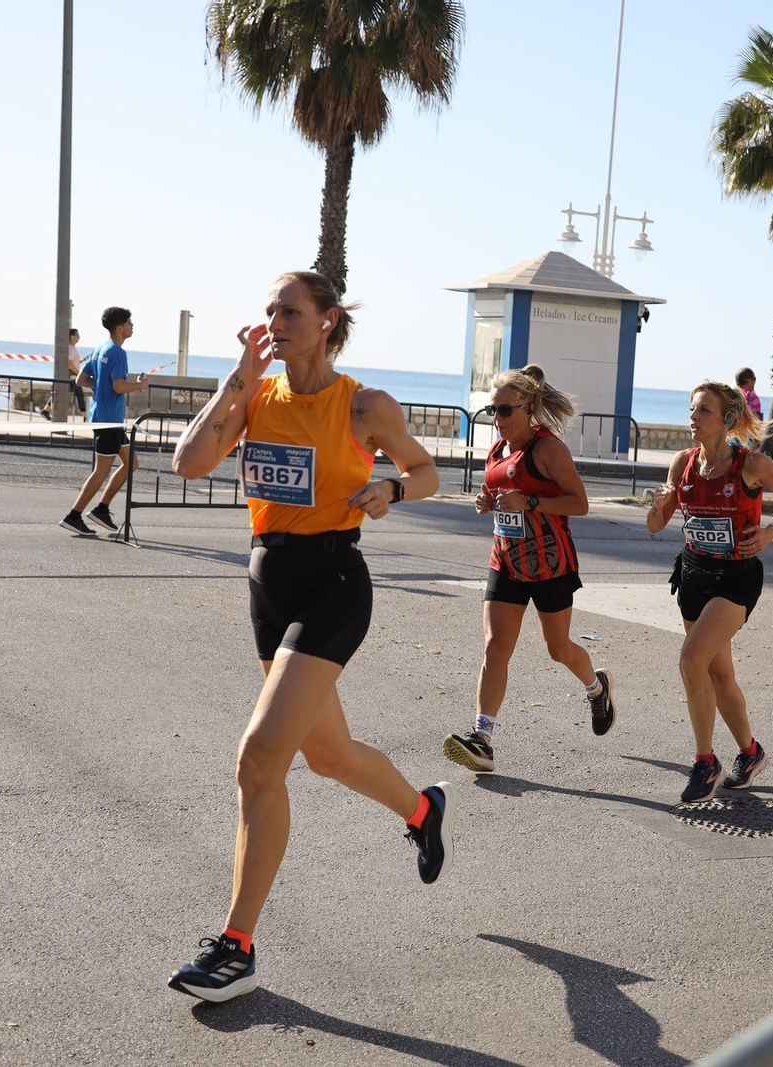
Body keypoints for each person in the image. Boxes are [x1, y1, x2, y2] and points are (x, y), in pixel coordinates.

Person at [164, 271, 453, 1003]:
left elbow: (428, 472)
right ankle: (423, 810)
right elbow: (188, 462)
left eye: (289, 311)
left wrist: (392, 488)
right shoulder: (256, 396)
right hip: (269, 583)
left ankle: (236, 946)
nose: (275, 321)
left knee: (261, 757)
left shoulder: (364, 404)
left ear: (328, 321)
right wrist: (234, 382)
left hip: (334, 584)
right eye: (269, 311)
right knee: (328, 755)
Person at [442, 365, 616, 774]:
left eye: (505, 410)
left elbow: (580, 503)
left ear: (529, 407)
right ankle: (482, 738)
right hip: (506, 561)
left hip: (550, 564)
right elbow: (497, 492)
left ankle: (596, 688)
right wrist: (486, 502)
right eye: (492, 411)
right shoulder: (498, 449)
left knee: (559, 650)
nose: (497, 419)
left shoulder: (547, 449)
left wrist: (533, 503)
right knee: (494, 647)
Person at [645, 381, 773, 802]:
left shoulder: (752, 465)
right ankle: (750, 752)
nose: (693, 418)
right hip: (694, 574)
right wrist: (660, 503)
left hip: (736, 577)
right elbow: (655, 526)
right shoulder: (682, 463)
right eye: (692, 410)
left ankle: (704, 761)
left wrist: (771, 532)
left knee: (692, 659)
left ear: (728, 419)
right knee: (719, 673)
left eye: (703, 411)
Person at [59, 308, 149, 535]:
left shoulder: (99, 348)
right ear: (119, 327)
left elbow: (81, 379)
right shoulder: (118, 352)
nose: (132, 326)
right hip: (108, 420)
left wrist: (100, 387)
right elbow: (118, 386)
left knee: (132, 464)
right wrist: (140, 385)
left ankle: (101, 509)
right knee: (101, 471)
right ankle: (74, 515)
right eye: (129, 323)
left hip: (106, 418)